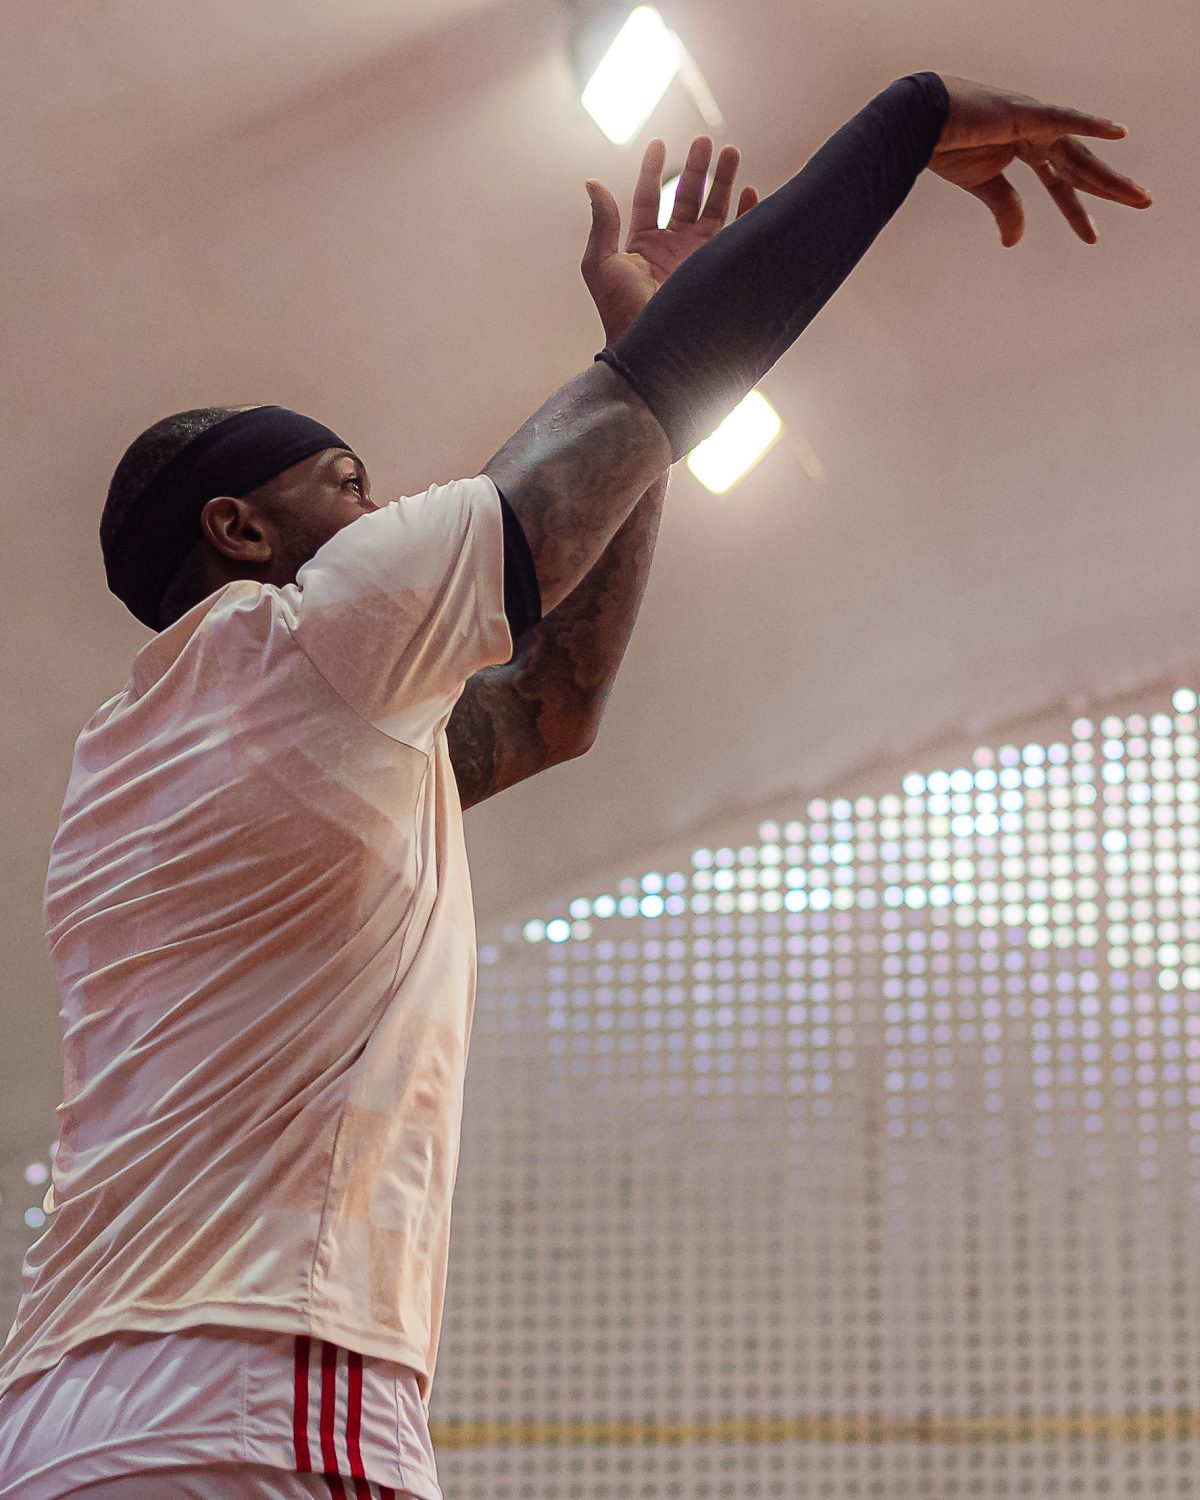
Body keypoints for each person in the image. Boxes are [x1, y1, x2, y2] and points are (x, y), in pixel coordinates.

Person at [0, 70, 1149, 1499]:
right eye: (347, 484)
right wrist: (905, 123)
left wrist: (644, 388)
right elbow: (632, 405)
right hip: (251, 1393)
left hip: (59, 1419)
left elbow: (554, 708)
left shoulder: (131, 771)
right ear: (240, 528)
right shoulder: (312, 637)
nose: (381, 510)